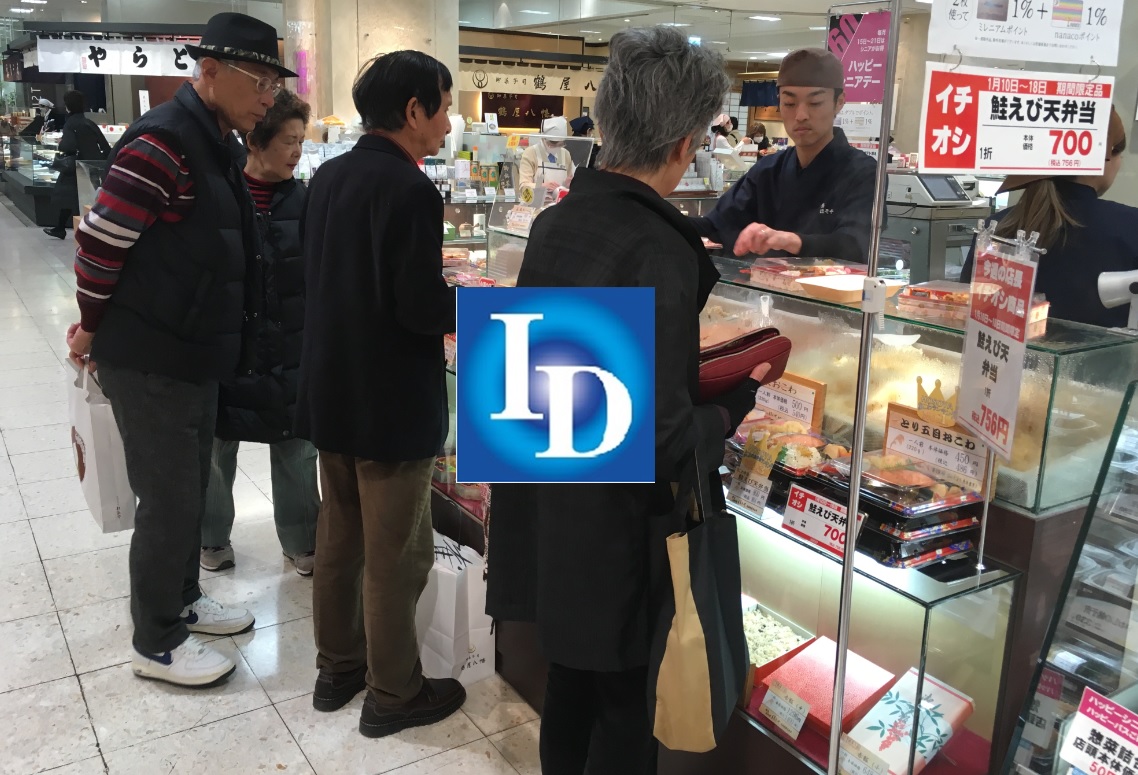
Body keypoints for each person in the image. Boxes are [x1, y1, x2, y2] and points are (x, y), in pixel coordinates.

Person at [486, 26, 772, 774]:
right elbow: (662, 437)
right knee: (623, 706)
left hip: (550, 492)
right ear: (684, 142)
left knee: (570, 684)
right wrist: (735, 404)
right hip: (617, 525)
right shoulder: (657, 246)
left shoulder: (556, 221)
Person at [65, 11, 296, 688]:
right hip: (152, 352)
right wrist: (90, 324)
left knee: (190, 489)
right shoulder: (163, 141)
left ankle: (184, 599)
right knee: (166, 500)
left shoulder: (215, 140)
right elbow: (100, 242)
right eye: (259, 83)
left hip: (191, 350)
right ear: (211, 71)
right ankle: (156, 638)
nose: (268, 99)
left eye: (275, 86)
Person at [297, 50, 466, 737]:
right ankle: (394, 691)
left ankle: (337, 667)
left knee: (339, 538)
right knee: (397, 553)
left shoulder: (327, 177)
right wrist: (475, 305)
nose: (448, 122)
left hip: (332, 387)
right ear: (413, 110)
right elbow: (418, 307)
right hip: (390, 400)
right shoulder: (410, 189)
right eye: (444, 106)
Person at [199, 89, 319, 577]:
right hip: (231, 347)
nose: (297, 151)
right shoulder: (221, 196)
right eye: (288, 140)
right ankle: (211, 538)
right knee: (216, 446)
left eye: (301, 141)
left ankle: (303, 541)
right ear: (255, 140)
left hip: (291, 345)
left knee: (296, 447)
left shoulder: (306, 202)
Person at [693, 48, 877, 263]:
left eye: (815, 103)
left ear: (839, 102)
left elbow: (855, 245)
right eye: (789, 103)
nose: (801, 115)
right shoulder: (769, 169)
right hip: (759, 284)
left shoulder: (862, 171)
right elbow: (715, 225)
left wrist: (790, 241)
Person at [961, 106, 1135, 328]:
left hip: (1000, 350)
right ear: (1105, 158)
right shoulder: (1130, 227)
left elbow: (969, 311)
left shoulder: (995, 227)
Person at [43, 90, 111, 240]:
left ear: (68, 106)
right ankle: (77, 227)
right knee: (90, 197)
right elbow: (105, 147)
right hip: (92, 165)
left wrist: (61, 143)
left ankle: (62, 228)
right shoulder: (89, 123)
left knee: (67, 196)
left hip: (75, 167)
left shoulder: (70, 124)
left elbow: (69, 146)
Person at [518, 115, 575, 204]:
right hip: (535, 206)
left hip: (558, 206)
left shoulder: (565, 154)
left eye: (560, 144)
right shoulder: (531, 153)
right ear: (543, 138)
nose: (556, 147)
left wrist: (568, 184)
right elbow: (523, 186)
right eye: (552, 144)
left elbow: (568, 183)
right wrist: (541, 186)